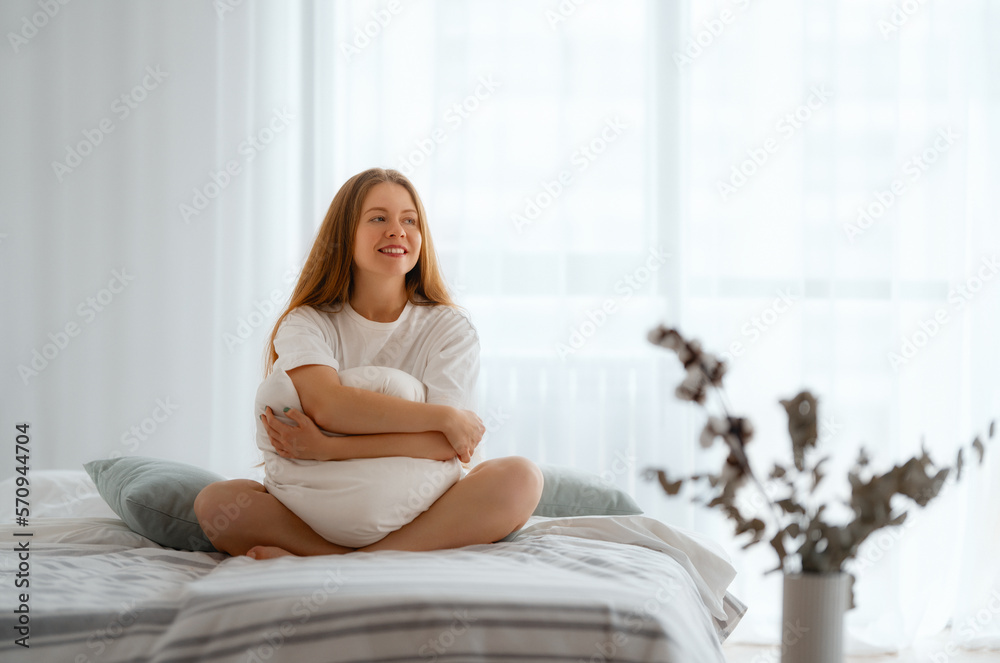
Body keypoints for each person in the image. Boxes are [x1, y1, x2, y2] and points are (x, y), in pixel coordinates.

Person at [193, 167, 544, 560]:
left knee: (521, 478)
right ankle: (357, 553)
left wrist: (328, 448)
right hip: (317, 507)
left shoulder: (450, 327)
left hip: (424, 509)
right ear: (345, 236)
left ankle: (343, 558)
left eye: (409, 220)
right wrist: (441, 416)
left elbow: (445, 446)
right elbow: (328, 404)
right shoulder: (307, 322)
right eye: (378, 218)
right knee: (216, 503)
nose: (397, 230)